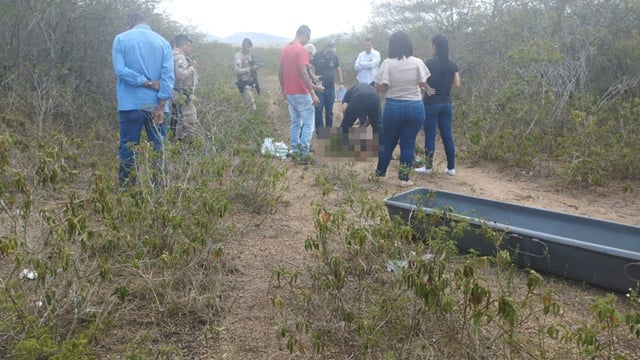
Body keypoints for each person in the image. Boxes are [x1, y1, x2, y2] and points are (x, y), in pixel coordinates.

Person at [112, 13, 174, 188]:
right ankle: (159, 189)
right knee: (158, 146)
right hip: (157, 106)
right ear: (148, 23)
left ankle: (127, 189)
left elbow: (121, 70)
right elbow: (168, 76)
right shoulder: (163, 43)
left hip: (130, 104)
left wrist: (144, 82)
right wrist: (162, 104)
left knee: (128, 146)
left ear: (130, 22)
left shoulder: (120, 39)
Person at [374, 31, 430, 186]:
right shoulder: (418, 62)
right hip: (415, 107)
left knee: (388, 142)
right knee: (408, 144)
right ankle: (403, 179)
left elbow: (383, 87)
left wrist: (378, 86)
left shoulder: (388, 63)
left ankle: (380, 174)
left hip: (393, 107)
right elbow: (421, 83)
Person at [416, 34, 461, 176]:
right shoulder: (452, 64)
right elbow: (457, 84)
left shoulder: (429, 63)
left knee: (430, 135)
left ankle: (428, 167)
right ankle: (451, 168)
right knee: (447, 135)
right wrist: (445, 89)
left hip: (431, 103)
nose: (430, 48)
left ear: (435, 47)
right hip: (447, 103)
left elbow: (420, 80)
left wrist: (427, 88)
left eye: (431, 46)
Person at [278, 25, 320, 162]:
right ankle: (303, 154)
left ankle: (295, 150)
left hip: (289, 92)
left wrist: (283, 89)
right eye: (307, 38)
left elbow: (280, 72)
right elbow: (303, 72)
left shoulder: (285, 49)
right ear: (304, 34)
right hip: (301, 92)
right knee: (308, 122)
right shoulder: (300, 50)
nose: (307, 41)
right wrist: (313, 93)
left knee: (295, 122)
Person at [171, 34, 200, 143]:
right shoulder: (179, 57)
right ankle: (190, 143)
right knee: (189, 119)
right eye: (189, 45)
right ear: (183, 45)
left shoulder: (178, 56)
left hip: (181, 92)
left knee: (180, 119)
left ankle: (179, 142)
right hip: (183, 93)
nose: (190, 48)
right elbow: (180, 74)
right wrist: (192, 68)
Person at [311, 40, 344, 132]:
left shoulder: (334, 57)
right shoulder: (317, 55)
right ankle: (320, 131)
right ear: (326, 47)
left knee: (329, 110)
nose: (333, 49)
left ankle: (329, 130)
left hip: (330, 87)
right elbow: (309, 66)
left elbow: (338, 69)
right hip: (319, 87)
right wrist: (313, 77)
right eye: (331, 47)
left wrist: (341, 83)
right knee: (318, 109)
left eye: (334, 47)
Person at [233, 38, 260, 112]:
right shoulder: (238, 56)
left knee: (252, 105)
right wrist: (250, 69)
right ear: (242, 46)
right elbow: (236, 70)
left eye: (249, 46)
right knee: (251, 108)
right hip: (244, 84)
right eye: (246, 46)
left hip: (252, 83)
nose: (247, 48)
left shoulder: (250, 55)